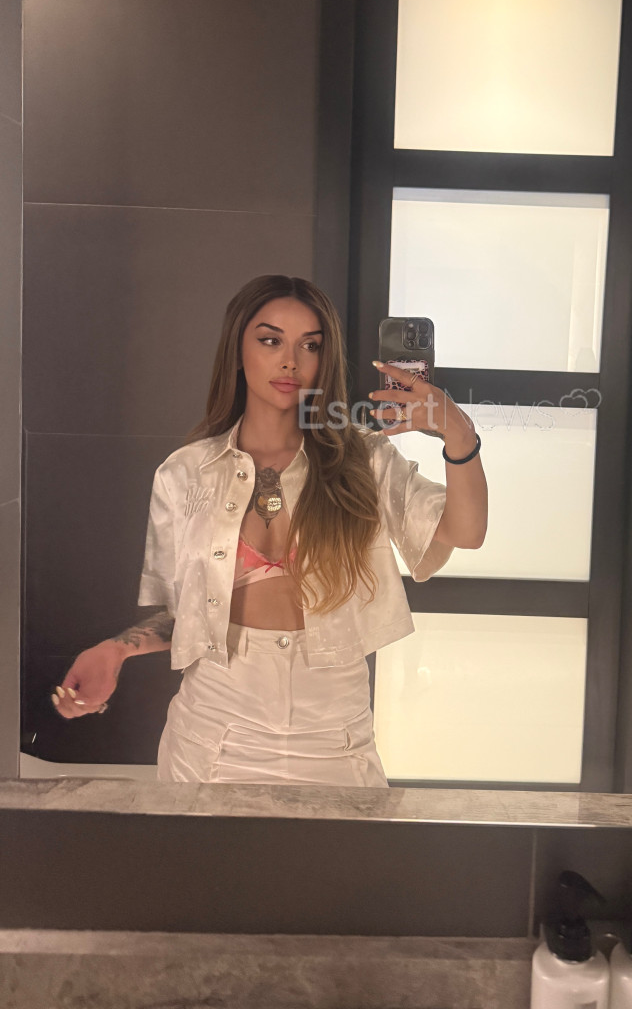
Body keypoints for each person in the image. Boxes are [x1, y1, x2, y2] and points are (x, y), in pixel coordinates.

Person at [50, 275, 487, 785]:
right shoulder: (185, 473)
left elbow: (465, 531)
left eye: (310, 345)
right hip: (213, 737)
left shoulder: (364, 460)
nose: (290, 362)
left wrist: (457, 433)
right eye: (270, 340)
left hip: (335, 740)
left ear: (325, 359)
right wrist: (118, 648)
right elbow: (188, 613)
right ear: (238, 351)